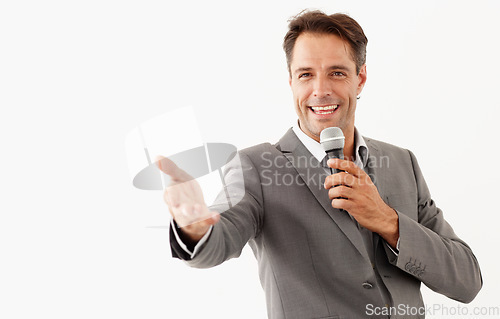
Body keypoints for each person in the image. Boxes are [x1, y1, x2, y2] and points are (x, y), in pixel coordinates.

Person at [156, 10, 482, 319]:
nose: (321, 90)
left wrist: (388, 221)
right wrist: (195, 227)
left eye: (337, 73)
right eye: (306, 75)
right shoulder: (254, 166)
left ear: (361, 78)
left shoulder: (401, 162)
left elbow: (466, 280)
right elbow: (221, 237)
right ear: (291, 82)